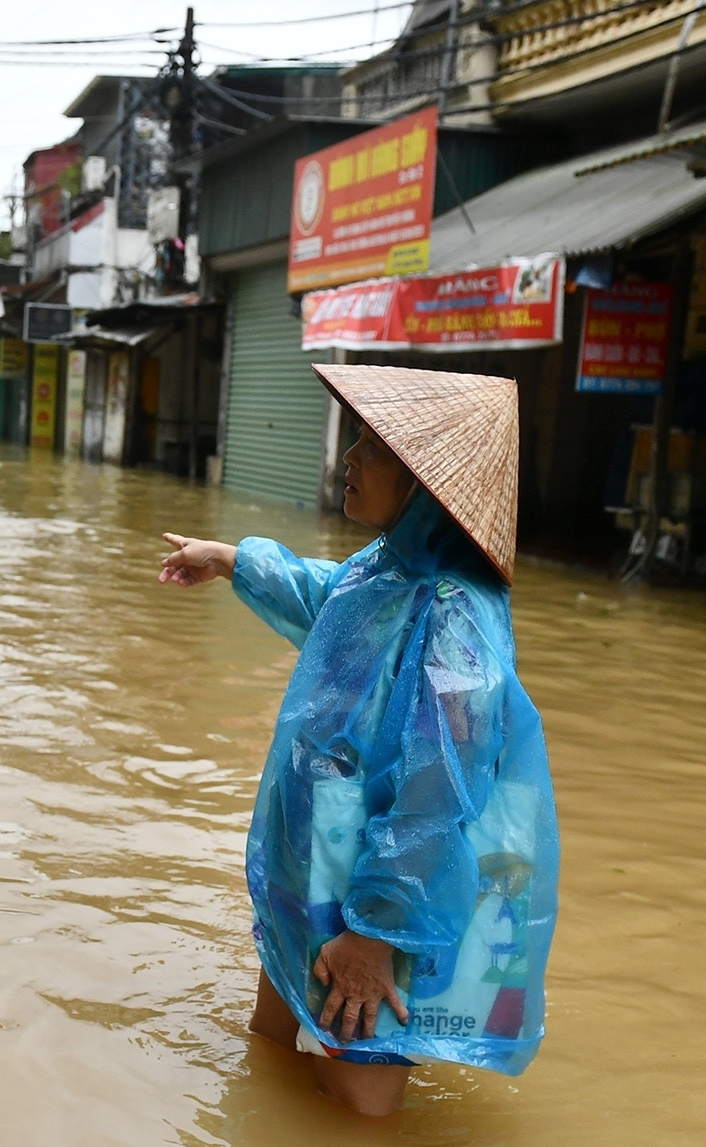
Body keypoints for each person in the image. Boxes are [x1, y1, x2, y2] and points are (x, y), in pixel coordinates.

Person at [158, 364, 558, 1116]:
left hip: (370, 902)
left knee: (355, 1105)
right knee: (269, 1066)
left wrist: (375, 937)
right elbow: (324, 595)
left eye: (369, 448)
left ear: (420, 485)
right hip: (311, 876)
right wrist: (234, 560)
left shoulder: (455, 618)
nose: (347, 460)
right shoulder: (387, 570)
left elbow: (436, 794)